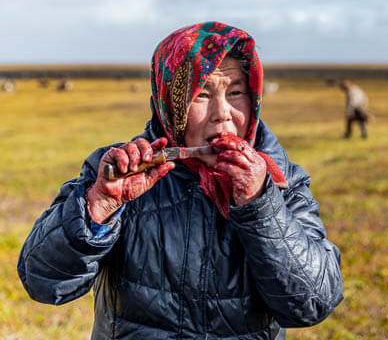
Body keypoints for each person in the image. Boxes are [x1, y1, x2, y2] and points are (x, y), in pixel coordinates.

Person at [17, 22, 344, 339]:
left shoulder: (281, 180)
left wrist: (260, 205)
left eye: (236, 92)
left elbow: (312, 305)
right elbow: (43, 283)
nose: (223, 113)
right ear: (171, 104)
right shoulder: (119, 172)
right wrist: (99, 204)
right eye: (202, 94)